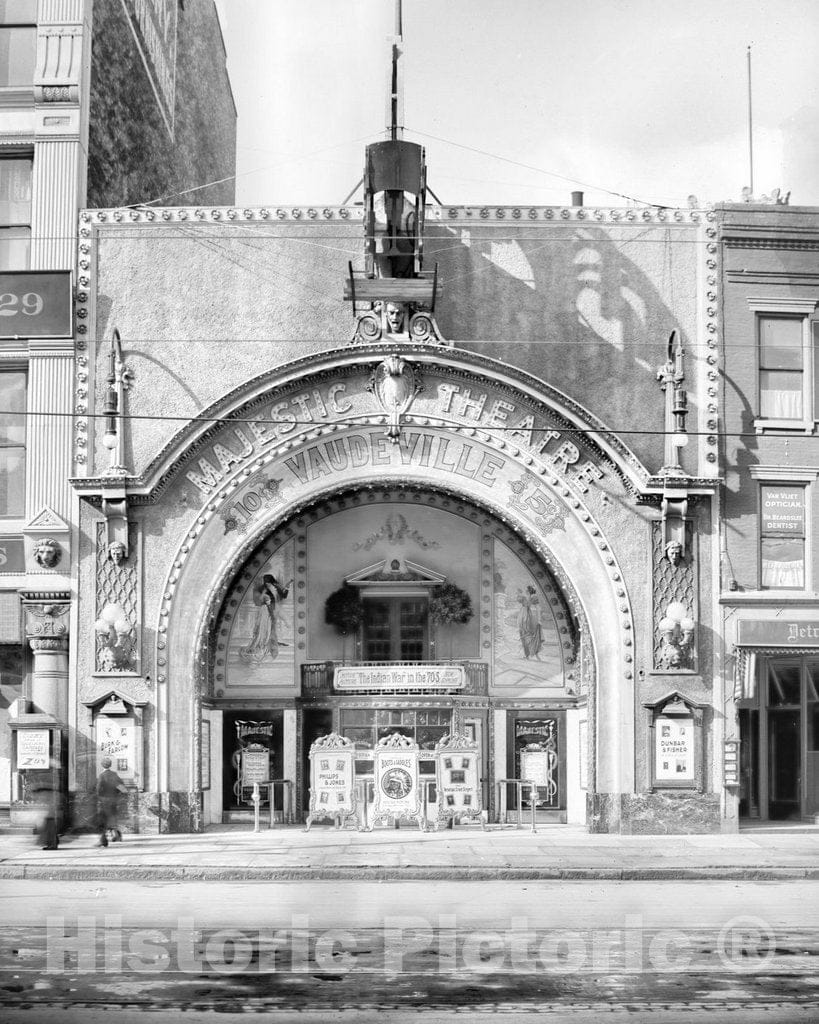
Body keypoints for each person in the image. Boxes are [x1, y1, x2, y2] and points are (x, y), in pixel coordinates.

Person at [239, 573, 292, 664]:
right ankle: (263, 644)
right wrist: (264, 596)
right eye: (266, 582)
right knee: (265, 629)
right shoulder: (263, 589)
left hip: (273, 609)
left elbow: (283, 596)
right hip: (266, 611)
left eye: (268, 582)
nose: (267, 584)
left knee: (271, 628)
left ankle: (271, 643)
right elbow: (259, 601)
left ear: (271, 582)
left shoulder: (276, 587)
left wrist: (287, 586)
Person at [96, 757, 127, 847]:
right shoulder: (114, 774)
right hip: (113, 801)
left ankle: (103, 840)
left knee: (103, 820)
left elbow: (98, 789)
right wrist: (115, 794)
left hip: (104, 801)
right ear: (110, 765)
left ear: (102, 765)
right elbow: (121, 787)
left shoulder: (102, 775)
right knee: (112, 818)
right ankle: (117, 835)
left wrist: (99, 796)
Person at [517, 585, 543, 660]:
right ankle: (528, 655)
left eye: (526, 590)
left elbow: (538, 608)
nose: (525, 591)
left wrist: (539, 620)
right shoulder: (527, 597)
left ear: (529, 591)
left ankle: (533, 654)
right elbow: (522, 602)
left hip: (529, 618)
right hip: (524, 617)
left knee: (531, 635)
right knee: (525, 635)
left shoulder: (533, 597)